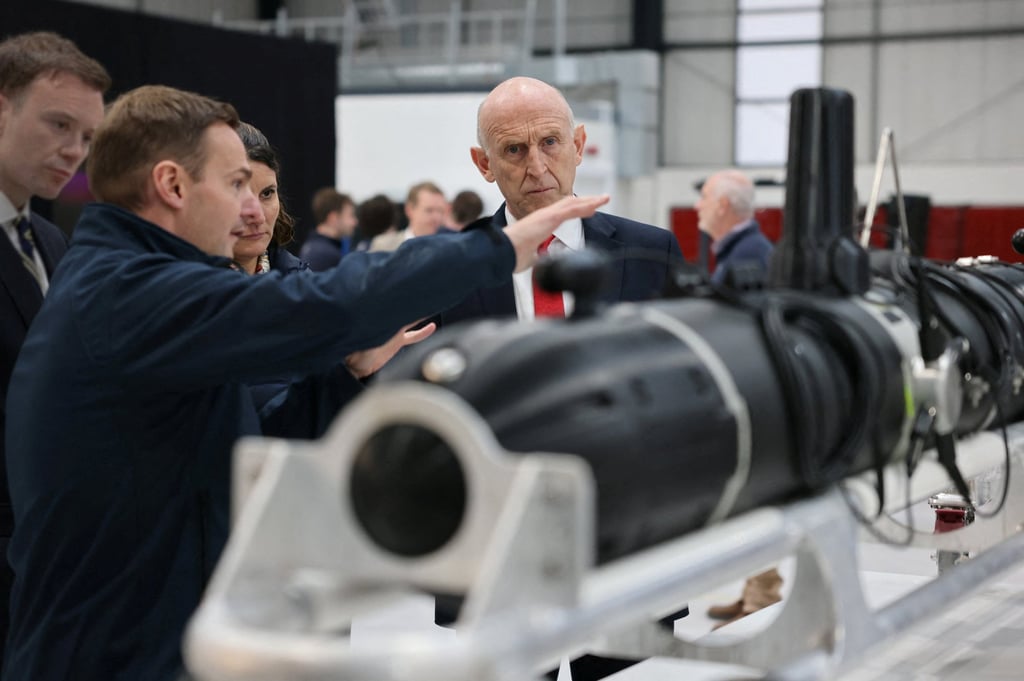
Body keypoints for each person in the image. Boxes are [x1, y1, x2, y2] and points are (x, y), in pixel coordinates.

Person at [2, 84, 608, 681]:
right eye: (235, 184)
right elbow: (321, 303)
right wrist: (495, 251)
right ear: (172, 185)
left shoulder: (136, 283)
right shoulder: (130, 294)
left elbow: (251, 448)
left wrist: (346, 373)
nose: (252, 210)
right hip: (114, 655)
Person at [0, 30, 109, 666]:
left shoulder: (50, 238)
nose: (74, 151)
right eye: (59, 124)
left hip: (44, 560)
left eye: (89, 137)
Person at [440, 76, 683, 327]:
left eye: (550, 142)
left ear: (578, 146)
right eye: (514, 149)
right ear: (484, 164)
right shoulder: (451, 269)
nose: (537, 168)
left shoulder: (652, 254)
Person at [233, 122, 308, 275]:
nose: (258, 216)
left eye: (267, 193)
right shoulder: (177, 292)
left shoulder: (299, 283)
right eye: (237, 194)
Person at [695, 169, 773, 285]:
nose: (697, 206)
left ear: (722, 205)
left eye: (704, 197)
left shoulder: (747, 256)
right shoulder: (745, 249)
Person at [368, 180, 447, 251]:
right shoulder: (384, 246)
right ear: (409, 210)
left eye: (440, 211)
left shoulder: (447, 248)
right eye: (429, 210)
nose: (437, 217)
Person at [300, 187, 357, 270]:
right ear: (333, 218)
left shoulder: (311, 247)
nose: (355, 222)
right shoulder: (327, 255)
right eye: (350, 215)